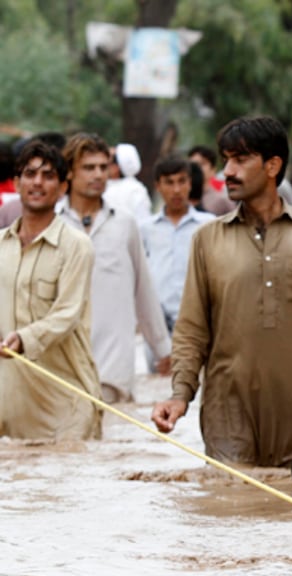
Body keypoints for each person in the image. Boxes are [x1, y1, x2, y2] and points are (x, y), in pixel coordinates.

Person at [151, 116, 292, 467]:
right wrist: (179, 396)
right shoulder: (207, 239)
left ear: (272, 165)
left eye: (239, 159)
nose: (227, 172)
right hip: (228, 415)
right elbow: (191, 331)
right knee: (233, 508)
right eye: (225, 160)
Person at [0, 140, 102, 439]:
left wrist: (23, 338)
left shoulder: (77, 246)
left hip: (65, 407)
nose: (37, 182)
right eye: (29, 174)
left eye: (47, 175)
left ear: (62, 187)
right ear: (17, 183)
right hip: (10, 405)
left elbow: (67, 315)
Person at [58, 133, 171, 402]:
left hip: (113, 369)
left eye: (103, 167)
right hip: (62, 368)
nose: (98, 174)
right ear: (70, 173)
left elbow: (143, 289)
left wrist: (162, 348)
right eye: (88, 168)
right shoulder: (53, 225)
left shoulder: (125, 223)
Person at [139, 155, 216, 349]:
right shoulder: (145, 229)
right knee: (157, 377)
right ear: (158, 186)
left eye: (182, 181)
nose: (176, 190)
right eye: (169, 183)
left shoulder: (208, 225)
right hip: (158, 323)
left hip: (198, 321)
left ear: (190, 184)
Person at [105, 143, 153, 221]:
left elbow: (142, 223)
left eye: (107, 160)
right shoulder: (102, 185)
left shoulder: (136, 191)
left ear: (116, 167)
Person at [188, 145, 236, 216]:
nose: (196, 169)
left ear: (213, 169)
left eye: (201, 164)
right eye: (193, 165)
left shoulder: (222, 199)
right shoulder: (182, 198)